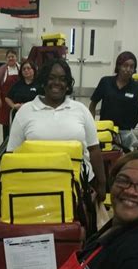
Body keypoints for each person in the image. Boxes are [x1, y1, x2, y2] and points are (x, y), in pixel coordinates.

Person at [7, 59, 106, 201]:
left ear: (67, 84)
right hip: (36, 188)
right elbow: (12, 154)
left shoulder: (81, 110)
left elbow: (94, 149)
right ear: (43, 80)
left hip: (79, 187)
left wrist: (102, 184)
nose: (57, 83)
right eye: (51, 78)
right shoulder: (25, 112)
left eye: (62, 79)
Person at [89, 52, 138, 149]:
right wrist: (92, 126)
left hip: (125, 134)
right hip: (105, 131)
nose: (128, 69)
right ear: (118, 66)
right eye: (125, 66)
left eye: (132, 67)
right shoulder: (106, 82)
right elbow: (93, 105)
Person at [0, 49, 19, 140]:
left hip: (17, 101)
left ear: (16, 58)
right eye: (9, 57)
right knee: (6, 123)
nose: (11, 58)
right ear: (6, 59)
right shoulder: (2, 70)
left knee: (17, 122)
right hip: (5, 101)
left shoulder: (20, 68)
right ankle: (5, 142)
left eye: (13, 56)